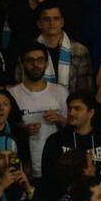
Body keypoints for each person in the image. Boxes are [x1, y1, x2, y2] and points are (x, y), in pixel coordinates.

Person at [8, 42, 68, 179]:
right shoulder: (12, 94)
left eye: (40, 60)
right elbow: (5, 129)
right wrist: (23, 131)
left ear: (46, 64)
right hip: (25, 169)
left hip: (56, 167)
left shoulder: (60, 92)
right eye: (30, 60)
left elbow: (74, 128)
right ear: (23, 64)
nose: (35, 65)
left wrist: (60, 119)